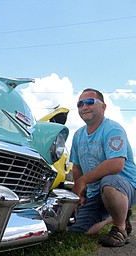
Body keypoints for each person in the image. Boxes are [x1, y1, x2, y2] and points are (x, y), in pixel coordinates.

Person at [69, 88, 136, 247]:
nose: (84, 106)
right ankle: (114, 216)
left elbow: (116, 164)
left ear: (103, 107)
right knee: (80, 230)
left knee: (109, 181)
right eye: (80, 104)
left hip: (123, 187)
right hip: (94, 192)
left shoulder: (112, 129)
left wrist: (83, 181)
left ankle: (120, 228)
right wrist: (81, 193)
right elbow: (77, 166)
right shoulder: (78, 135)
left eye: (90, 102)